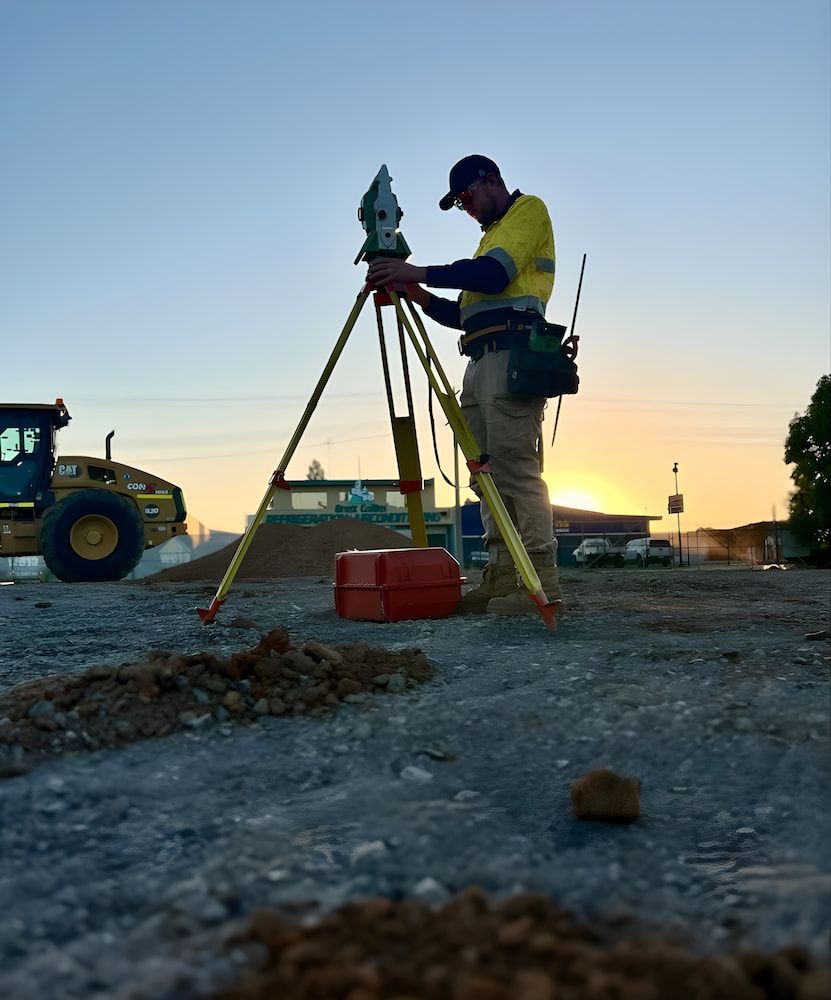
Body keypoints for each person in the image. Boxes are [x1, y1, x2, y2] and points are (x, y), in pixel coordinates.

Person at [366, 154, 560, 615]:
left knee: (514, 469)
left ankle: (541, 580)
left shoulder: (527, 211)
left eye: (467, 198)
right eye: (459, 205)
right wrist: (419, 294)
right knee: (485, 475)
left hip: (512, 357)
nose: (467, 209)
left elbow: (493, 277)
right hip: (480, 359)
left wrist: (420, 272)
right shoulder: (490, 238)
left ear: (490, 180)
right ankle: (502, 573)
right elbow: (465, 315)